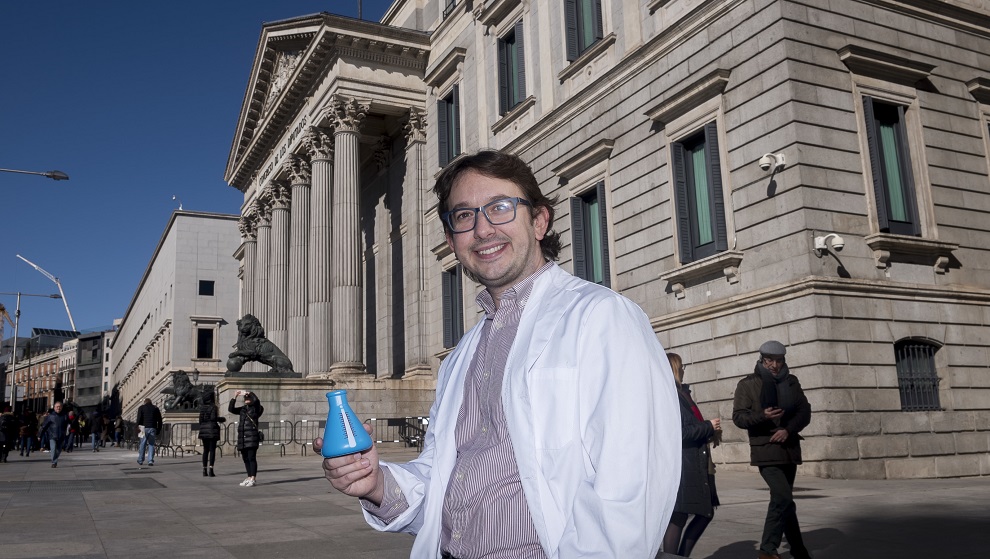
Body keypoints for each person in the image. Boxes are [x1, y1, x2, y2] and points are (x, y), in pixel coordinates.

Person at [317, 150, 681, 558]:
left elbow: (632, 486)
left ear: (540, 221)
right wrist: (378, 484)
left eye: (500, 208)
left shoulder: (602, 316)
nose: (483, 228)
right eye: (464, 216)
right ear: (453, 240)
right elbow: (443, 483)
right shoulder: (461, 356)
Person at [732, 341, 813, 559]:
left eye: (778, 361)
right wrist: (763, 416)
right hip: (765, 449)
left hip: (788, 448)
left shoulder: (791, 382)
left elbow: (804, 412)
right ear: (762, 360)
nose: (774, 365)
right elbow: (739, 417)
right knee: (783, 497)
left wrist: (788, 429)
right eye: (770, 361)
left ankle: (798, 550)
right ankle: (768, 550)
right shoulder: (747, 384)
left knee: (784, 501)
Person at [662, 353, 721, 557]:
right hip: (684, 463)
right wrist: (707, 426)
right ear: (674, 368)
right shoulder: (671, 396)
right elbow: (679, 432)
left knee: (696, 512)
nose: (684, 369)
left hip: (696, 461)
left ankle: (679, 556)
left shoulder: (683, 394)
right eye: (682, 365)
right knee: (679, 514)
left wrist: (710, 432)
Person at [229, 390, 263, 486]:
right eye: (245, 398)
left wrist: (248, 392)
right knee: (245, 458)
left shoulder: (256, 408)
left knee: (252, 457)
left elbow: (256, 400)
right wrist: (234, 397)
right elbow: (231, 409)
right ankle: (249, 477)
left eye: (248, 398)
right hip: (243, 438)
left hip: (252, 437)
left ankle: (253, 478)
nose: (247, 399)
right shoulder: (243, 409)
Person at [198, 390, 225, 477]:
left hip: (204, 430)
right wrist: (221, 419)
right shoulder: (213, 407)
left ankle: (204, 470)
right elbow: (213, 418)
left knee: (205, 450)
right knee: (212, 450)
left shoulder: (202, 408)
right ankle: (211, 470)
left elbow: (200, 420)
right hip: (212, 430)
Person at [37, 402, 68, 468]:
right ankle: (54, 462)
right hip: (52, 436)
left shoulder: (64, 416)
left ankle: (54, 459)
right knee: (53, 449)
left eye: (59, 406)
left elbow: (68, 424)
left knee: (59, 450)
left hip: (61, 436)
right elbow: (44, 426)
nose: (58, 408)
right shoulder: (50, 416)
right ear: (54, 408)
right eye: (57, 407)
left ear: (62, 407)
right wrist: (40, 435)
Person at [136, 398, 163, 467]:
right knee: (151, 444)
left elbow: (139, 418)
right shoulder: (155, 408)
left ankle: (140, 460)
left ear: (145, 402)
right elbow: (159, 420)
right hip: (152, 427)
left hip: (142, 428)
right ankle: (150, 460)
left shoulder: (141, 408)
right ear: (151, 402)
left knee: (142, 444)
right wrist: (158, 429)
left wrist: (137, 427)